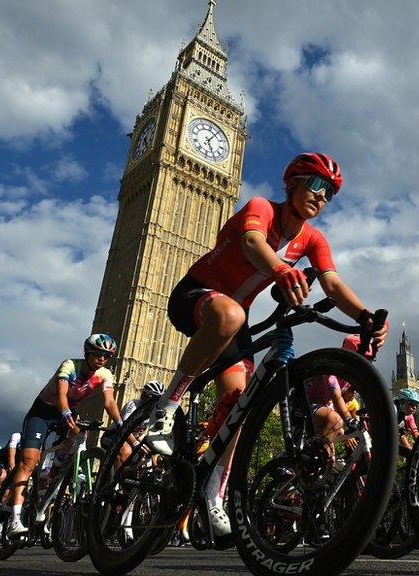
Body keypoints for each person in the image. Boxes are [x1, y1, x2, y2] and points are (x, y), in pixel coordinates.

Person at [144, 152, 389, 538]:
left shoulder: (313, 238)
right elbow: (253, 242)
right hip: (197, 296)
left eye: (331, 194)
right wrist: (280, 270)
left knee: (240, 404)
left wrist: (366, 317)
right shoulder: (262, 207)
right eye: (317, 185)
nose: (322, 197)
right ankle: (167, 405)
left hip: (234, 317)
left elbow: (332, 284)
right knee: (230, 315)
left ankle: (212, 495)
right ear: (292, 183)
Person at [7, 333, 124, 537]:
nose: (102, 359)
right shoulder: (70, 365)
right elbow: (61, 394)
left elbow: (109, 402)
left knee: (79, 436)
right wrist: (65, 411)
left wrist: (122, 424)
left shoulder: (105, 374)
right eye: (98, 354)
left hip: (70, 411)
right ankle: (15, 519)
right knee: (29, 462)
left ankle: (55, 471)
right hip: (44, 411)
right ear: (88, 353)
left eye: (106, 356)